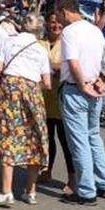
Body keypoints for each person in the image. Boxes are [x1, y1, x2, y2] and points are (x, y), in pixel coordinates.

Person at [54, 0, 105, 205]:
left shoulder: (69, 32)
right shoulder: (94, 30)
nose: (57, 19)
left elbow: (73, 62)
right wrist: (100, 80)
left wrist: (82, 85)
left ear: (64, 12)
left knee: (79, 141)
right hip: (94, 85)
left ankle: (87, 190)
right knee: (93, 136)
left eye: (57, 14)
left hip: (76, 88)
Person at [0, 14, 51, 207]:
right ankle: (31, 191)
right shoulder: (40, 49)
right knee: (34, 137)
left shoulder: (9, 42)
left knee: (9, 135)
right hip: (32, 91)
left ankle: (6, 191)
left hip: (10, 91)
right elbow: (47, 83)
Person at [39, 12, 77, 195]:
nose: (55, 26)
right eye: (52, 22)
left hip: (62, 98)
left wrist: (51, 67)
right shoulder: (40, 43)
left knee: (65, 140)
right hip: (43, 98)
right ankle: (46, 170)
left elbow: (71, 66)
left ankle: (72, 178)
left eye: (59, 23)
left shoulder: (68, 43)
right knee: (46, 139)